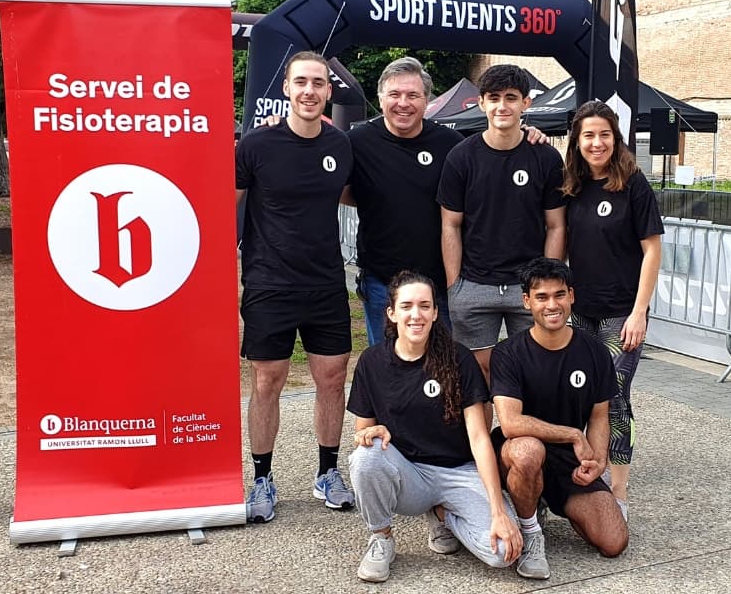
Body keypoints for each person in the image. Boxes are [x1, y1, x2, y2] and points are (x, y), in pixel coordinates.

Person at [345, 57, 547, 346]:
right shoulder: (356, 141)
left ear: (427, 100)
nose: (403, 103)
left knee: (448, 370)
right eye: (395, 94)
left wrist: (527, 134)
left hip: (442, 281)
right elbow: (328, 182)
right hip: (383, 281)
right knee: (388, 368)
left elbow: (494, 147)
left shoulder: (451, 144)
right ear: (380, 97)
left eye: (413, 95)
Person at [236, 51, 355, 523]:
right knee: (268, 380)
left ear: (329, 91)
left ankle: (327, 472)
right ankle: (262, 478)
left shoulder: (341, 145)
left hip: (326, 283)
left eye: (319, 83)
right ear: (286, 88)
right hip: (269, 282)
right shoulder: (256, 145)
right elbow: (230, 205)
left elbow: (356, 192)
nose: (309, 90)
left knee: (332, 379)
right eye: (301, 82)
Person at [347, 270, 522, 583]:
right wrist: (373, 432)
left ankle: (443, 514)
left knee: (502, 553)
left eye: (425, 306)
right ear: (391, 313)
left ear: (436, 312)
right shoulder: (372, 362)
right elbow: (363, 432)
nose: (416, 315)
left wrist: (497, 510)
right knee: (366, 457)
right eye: (407, 306)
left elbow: (479, 438)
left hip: (458, 470)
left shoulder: (459, 358)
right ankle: (381, 537)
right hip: (410, 476)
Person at [490, 257, 628, 580]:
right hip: (518, 449)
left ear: (571, 297)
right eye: (541, 297)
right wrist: (573, 435)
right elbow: (510, 423)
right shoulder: (508, 353)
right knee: (528, 452)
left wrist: (596, 461)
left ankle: (547, 499)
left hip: (566, 459)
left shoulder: (594, 353)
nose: (552, 305)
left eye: (559, 295)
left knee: (614, 540)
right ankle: (530, 531)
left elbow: (598, 416)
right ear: (527, 302)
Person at [561, 101, 664, 519]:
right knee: (581, 393)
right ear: (577, 140)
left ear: (615, 137)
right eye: (588, 135)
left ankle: (617, 493)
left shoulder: (633, 184)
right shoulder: (571, 184)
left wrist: (640, 311)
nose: (596, 142)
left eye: (604, 134)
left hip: (622, 312)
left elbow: (652, 249)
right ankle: (587, 470)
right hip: (581, 310)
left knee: (615, 395)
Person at [438, 64, 566, 382]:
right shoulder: (461, 157)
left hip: (528, 286)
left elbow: (556, 225)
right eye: (493, 97)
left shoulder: (545, 158)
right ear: (481, 103)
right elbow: (450, 225)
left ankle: (524, 433)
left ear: (526, 103)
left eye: (511, 97)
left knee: (535, 372)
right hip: (474, 285)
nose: (502, 106)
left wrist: (546, 281)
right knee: (475, 376)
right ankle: (480, 435)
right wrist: (456, 286)